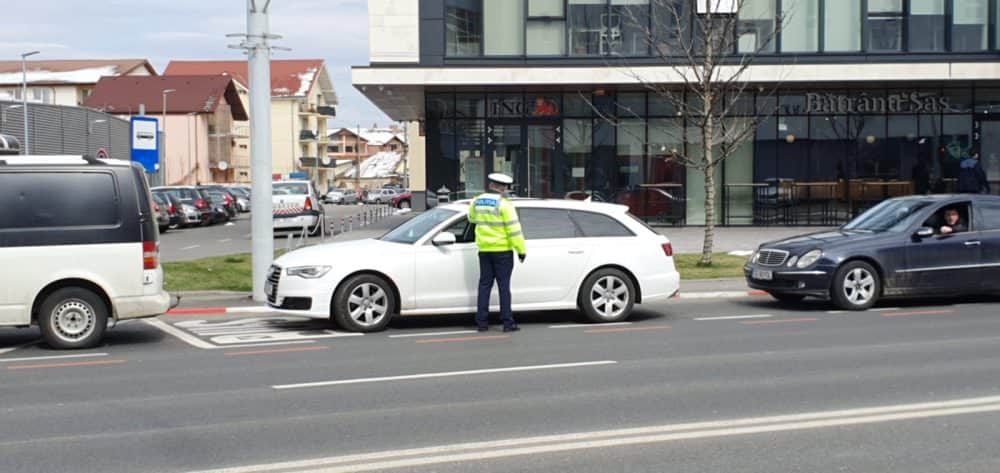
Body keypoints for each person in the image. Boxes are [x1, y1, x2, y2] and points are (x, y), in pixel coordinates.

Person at [468, 173, 527, 333]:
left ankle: (482, 323)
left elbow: (471, 218)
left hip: (484, 250)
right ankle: (507, 323)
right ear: (502, 187)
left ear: (490, 185)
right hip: (502, 251)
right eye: (505, 187)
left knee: (484, 285)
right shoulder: (505, 205)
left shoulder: (477, 201)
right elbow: (514, 230)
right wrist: (521, 250)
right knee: (503, 287)